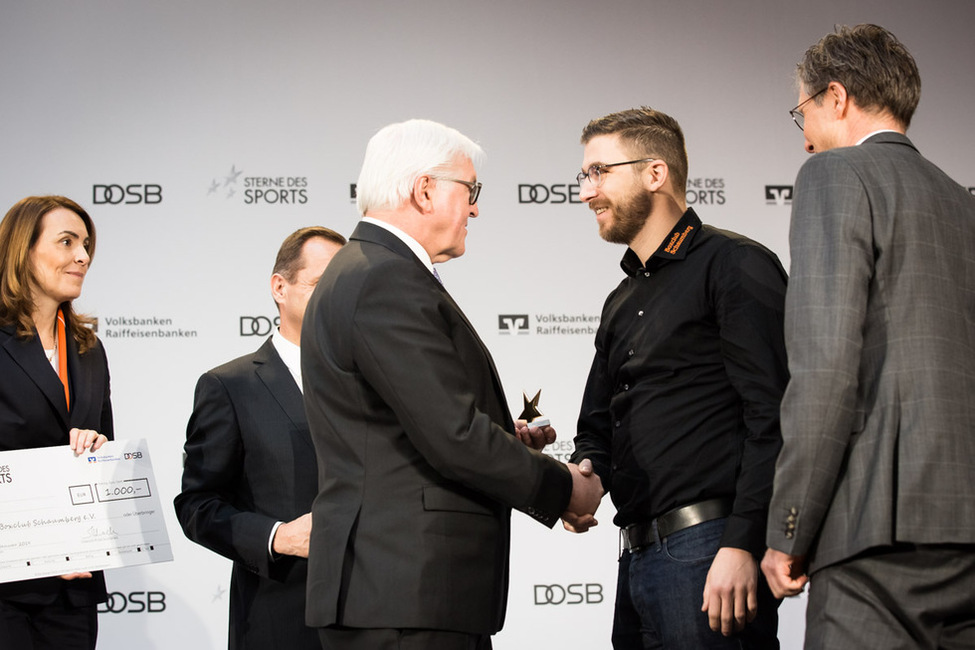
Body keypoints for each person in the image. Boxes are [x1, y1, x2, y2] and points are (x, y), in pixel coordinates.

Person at [300, 118, 602, 650]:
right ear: (424, 190)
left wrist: (501, 437)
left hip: (397, 590)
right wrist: (564, 490)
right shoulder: (383, 277)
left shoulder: (367, 270)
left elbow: (411, 422)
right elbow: (453, 435)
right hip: (406, 591)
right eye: (471, 191)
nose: (477, 208)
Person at [761, 24, 975, 649]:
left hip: (876, 533)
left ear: (836, 97)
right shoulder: (963, 206)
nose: (804, 138)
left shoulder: (835, 175)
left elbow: (825, 371)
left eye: (802, 112)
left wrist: (789, 529)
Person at [566, 108, 787, 649]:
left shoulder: (735, 263)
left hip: (713, 550)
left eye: (600, 172)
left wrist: (743, 543)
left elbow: (776, 415)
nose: (585, 192)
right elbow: (597, 427)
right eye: (584, 175)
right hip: (636, 556)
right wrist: (578, 484)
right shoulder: (619, 301)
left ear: (655, 173)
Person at [174, 226, 346, 649]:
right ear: (279, 287)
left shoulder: (378, 383)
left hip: (375, 617)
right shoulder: (229, 385)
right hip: (281, 618)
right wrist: (277, 536)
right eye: (321, 284)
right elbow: (198, 505)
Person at [0, 196, 113, 650]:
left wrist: (101, 449)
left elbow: (106, 452)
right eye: (66, 242)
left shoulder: (88, 349)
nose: (82, 256)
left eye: (85, 244)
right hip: (7, 584)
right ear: (22, 251)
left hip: (74, 588)